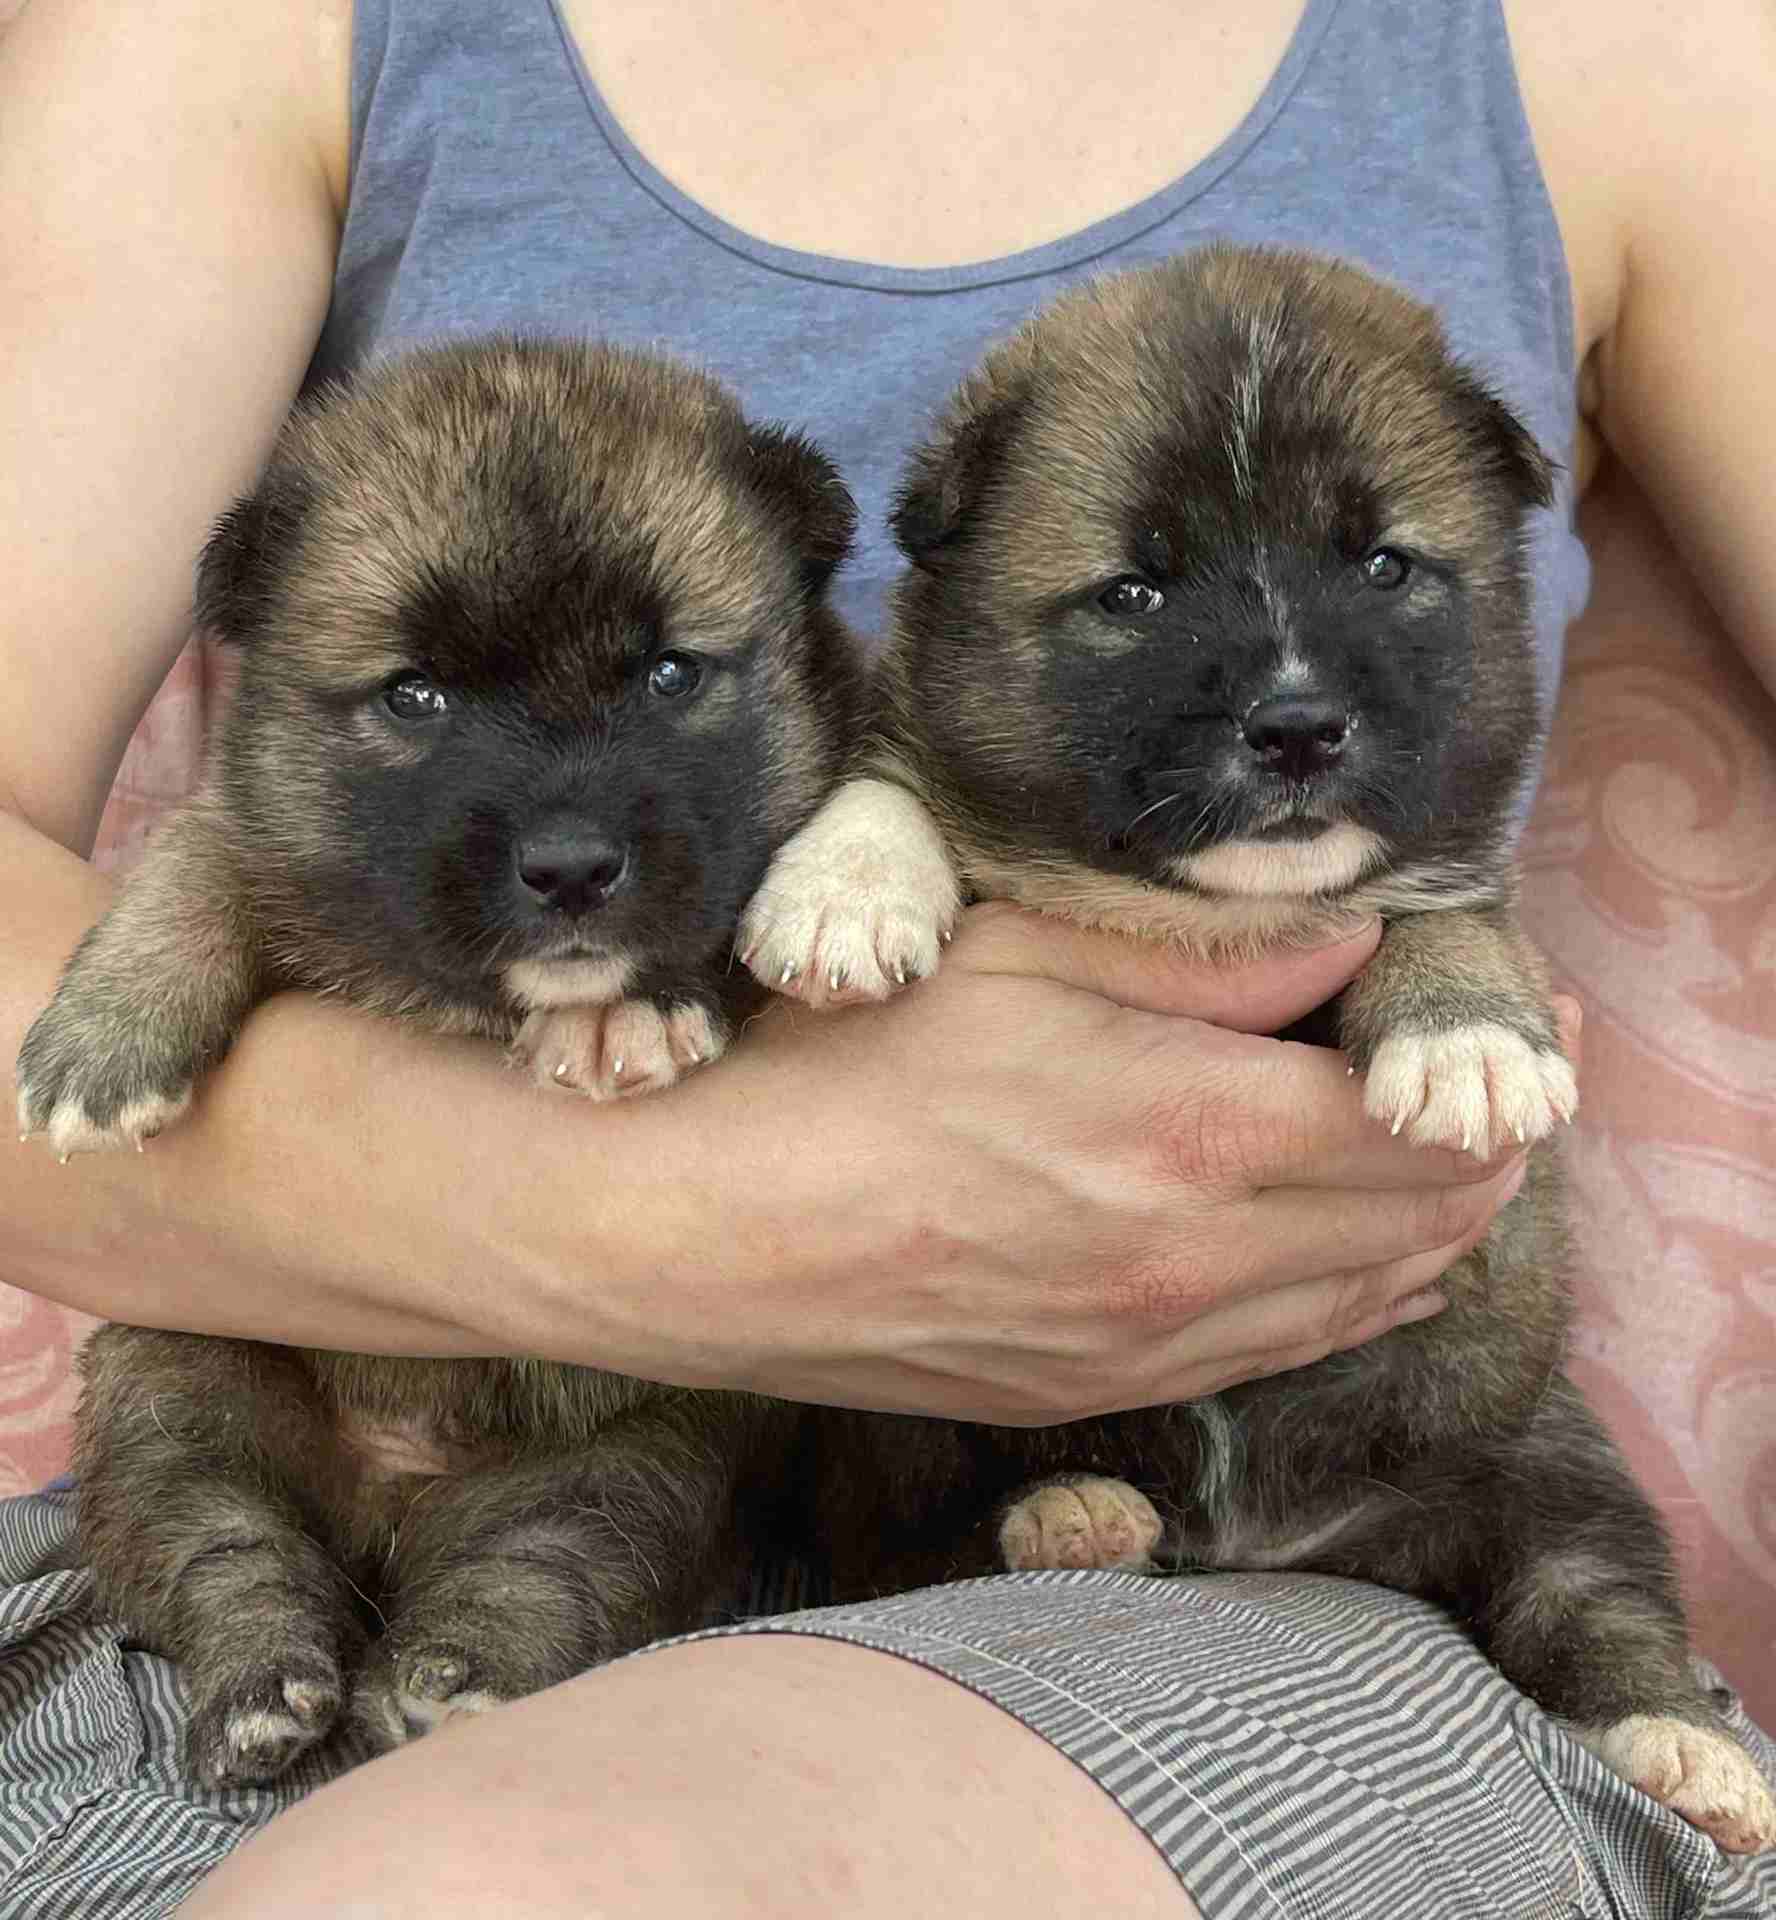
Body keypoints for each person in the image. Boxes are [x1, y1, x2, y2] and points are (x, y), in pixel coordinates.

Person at [0, 0, 1770, 1914]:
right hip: (369, 1511)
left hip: (1265, 1590)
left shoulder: (1636, 40)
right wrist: (679, 1230)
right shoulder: (231, 34)